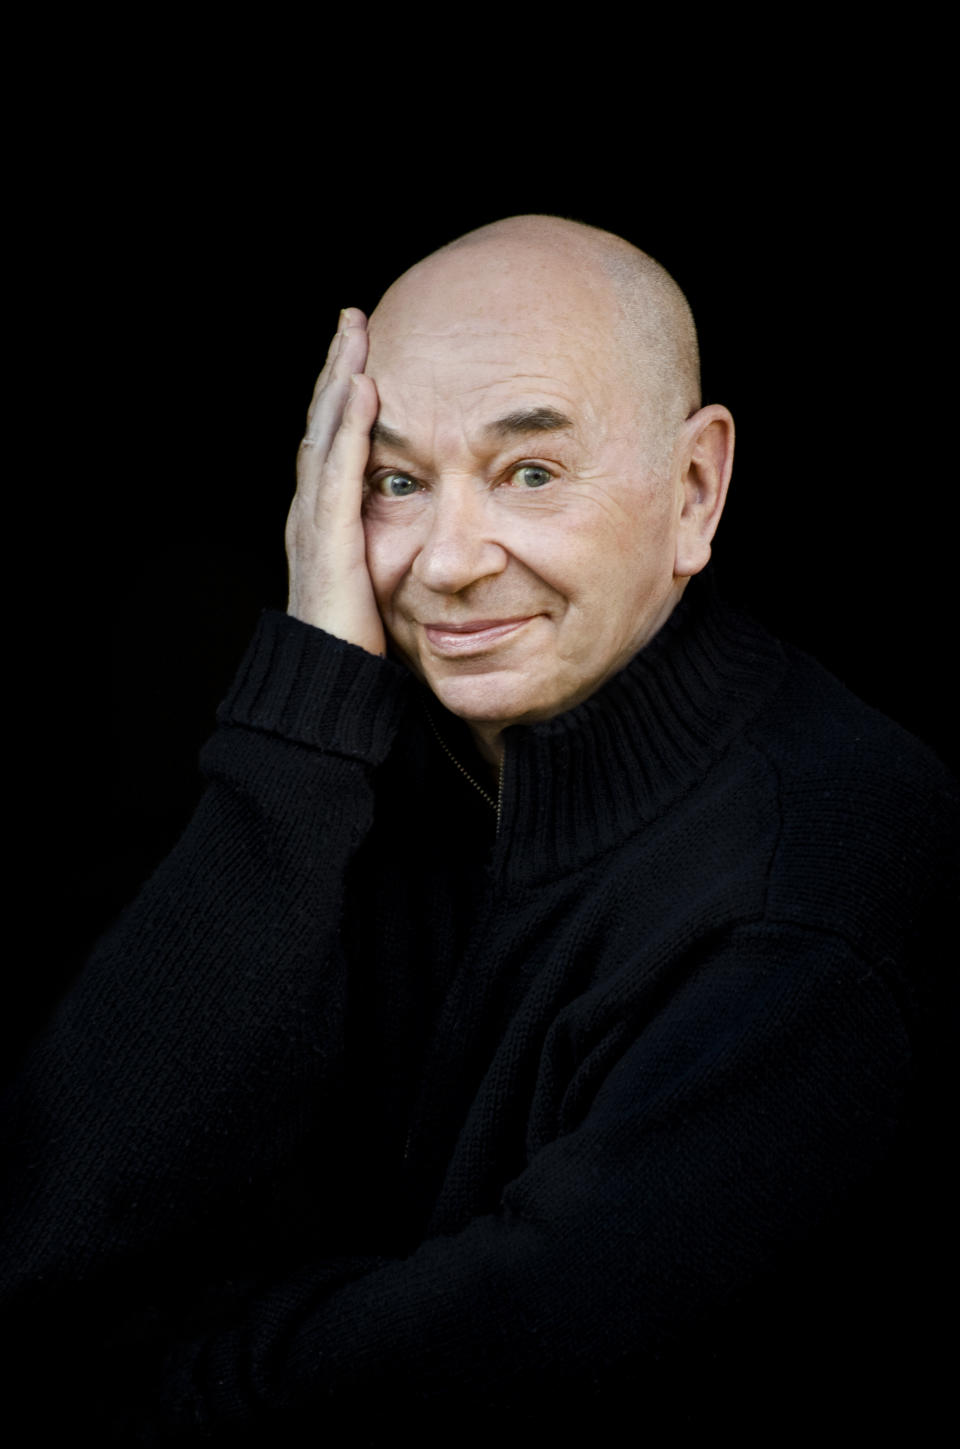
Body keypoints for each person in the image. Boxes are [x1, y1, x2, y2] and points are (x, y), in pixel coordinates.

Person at [2, 215, 956, 1442]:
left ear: (695, 490)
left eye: (532, 474)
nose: (446, 563)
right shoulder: (357, 761)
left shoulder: (813, 878)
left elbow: (508, 1378)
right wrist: (303, 714)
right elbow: (43, 1233)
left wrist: (124, 1389)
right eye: (395, 482)